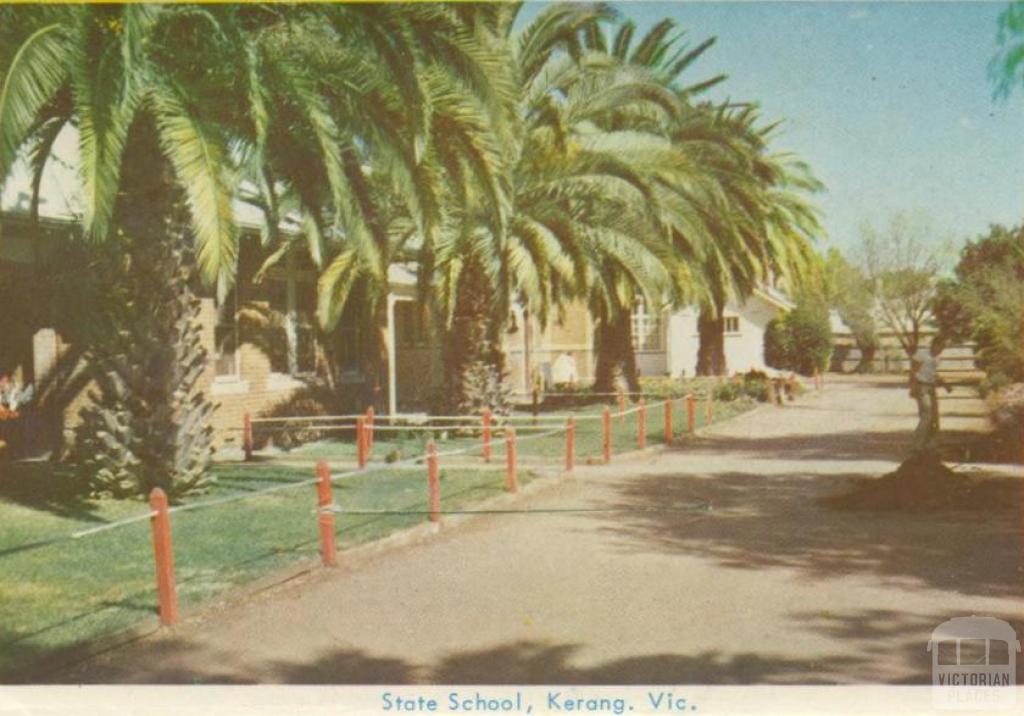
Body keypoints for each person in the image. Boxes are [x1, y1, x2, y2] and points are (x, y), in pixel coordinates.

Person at [909, 339, 951, 453]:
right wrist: (912, 387)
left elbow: (933, 374)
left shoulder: (937, 358)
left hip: (931, 387)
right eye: (940, 347)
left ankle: (929, 444)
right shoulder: (921, 354)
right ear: (934, 344)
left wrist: (945, 384)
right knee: (927, 414)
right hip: (921, 387)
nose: (941, 351)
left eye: (943, 349)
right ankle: (917, 444)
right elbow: (913, 371)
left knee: (934, 417)